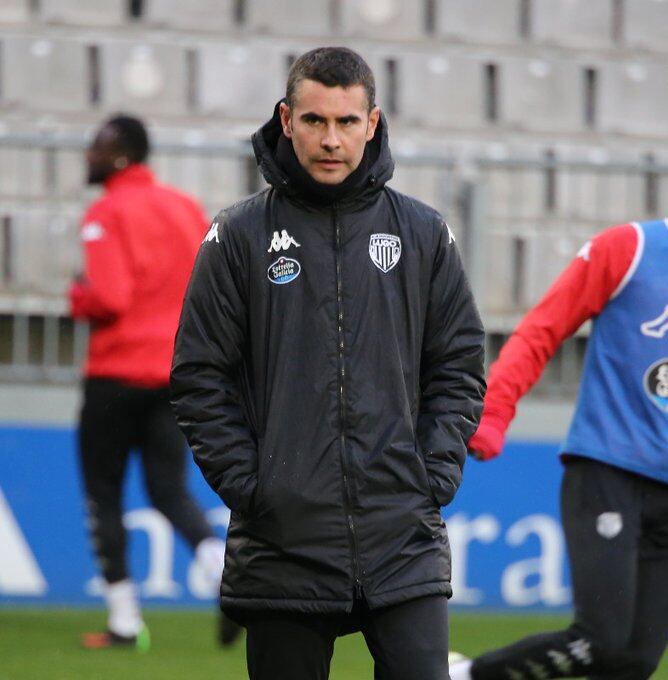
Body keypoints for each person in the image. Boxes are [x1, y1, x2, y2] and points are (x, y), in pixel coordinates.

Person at [171, 47, 485, 680]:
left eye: (347, 122)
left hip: (403, 535)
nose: (331, 140)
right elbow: (199, 375)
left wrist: (433, 474)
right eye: (316, 121)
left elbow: (459, 362)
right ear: (287, 120)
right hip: (283, 541)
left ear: (372, 123)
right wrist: (255, 489)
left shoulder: (423, 233)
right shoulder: (237, 236)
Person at [449, 214, 668, 679]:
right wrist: (494, 411)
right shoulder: (630, 248)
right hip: (610, 472)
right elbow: (543, 328)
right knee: (601, 638)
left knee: (633, 663)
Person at [69, 114, 238, 650]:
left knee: (104, 494)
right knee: (169, 490)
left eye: (97, 146)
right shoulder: (185, 207)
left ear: (120, 154)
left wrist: (78, 297)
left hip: (116, 374)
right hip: (174, 374)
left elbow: (111, 297)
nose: (88, 155)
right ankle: (225, 576)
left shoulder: (105, 212)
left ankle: (124, 622)